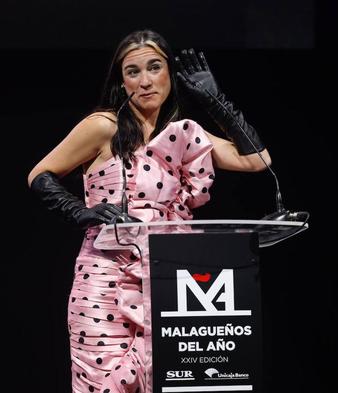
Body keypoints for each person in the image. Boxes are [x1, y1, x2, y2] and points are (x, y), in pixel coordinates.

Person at [27, 29, 271, 393]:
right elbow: (39, 174)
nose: (144, 81)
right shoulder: (103, 126)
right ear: (121, 81)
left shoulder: (183, 136)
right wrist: (81, 212)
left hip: (166, 279)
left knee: (165, 381)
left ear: (170, 73)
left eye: (154, 68)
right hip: (105, 280)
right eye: (133, 72)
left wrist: (216, 101)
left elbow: (257, 160)